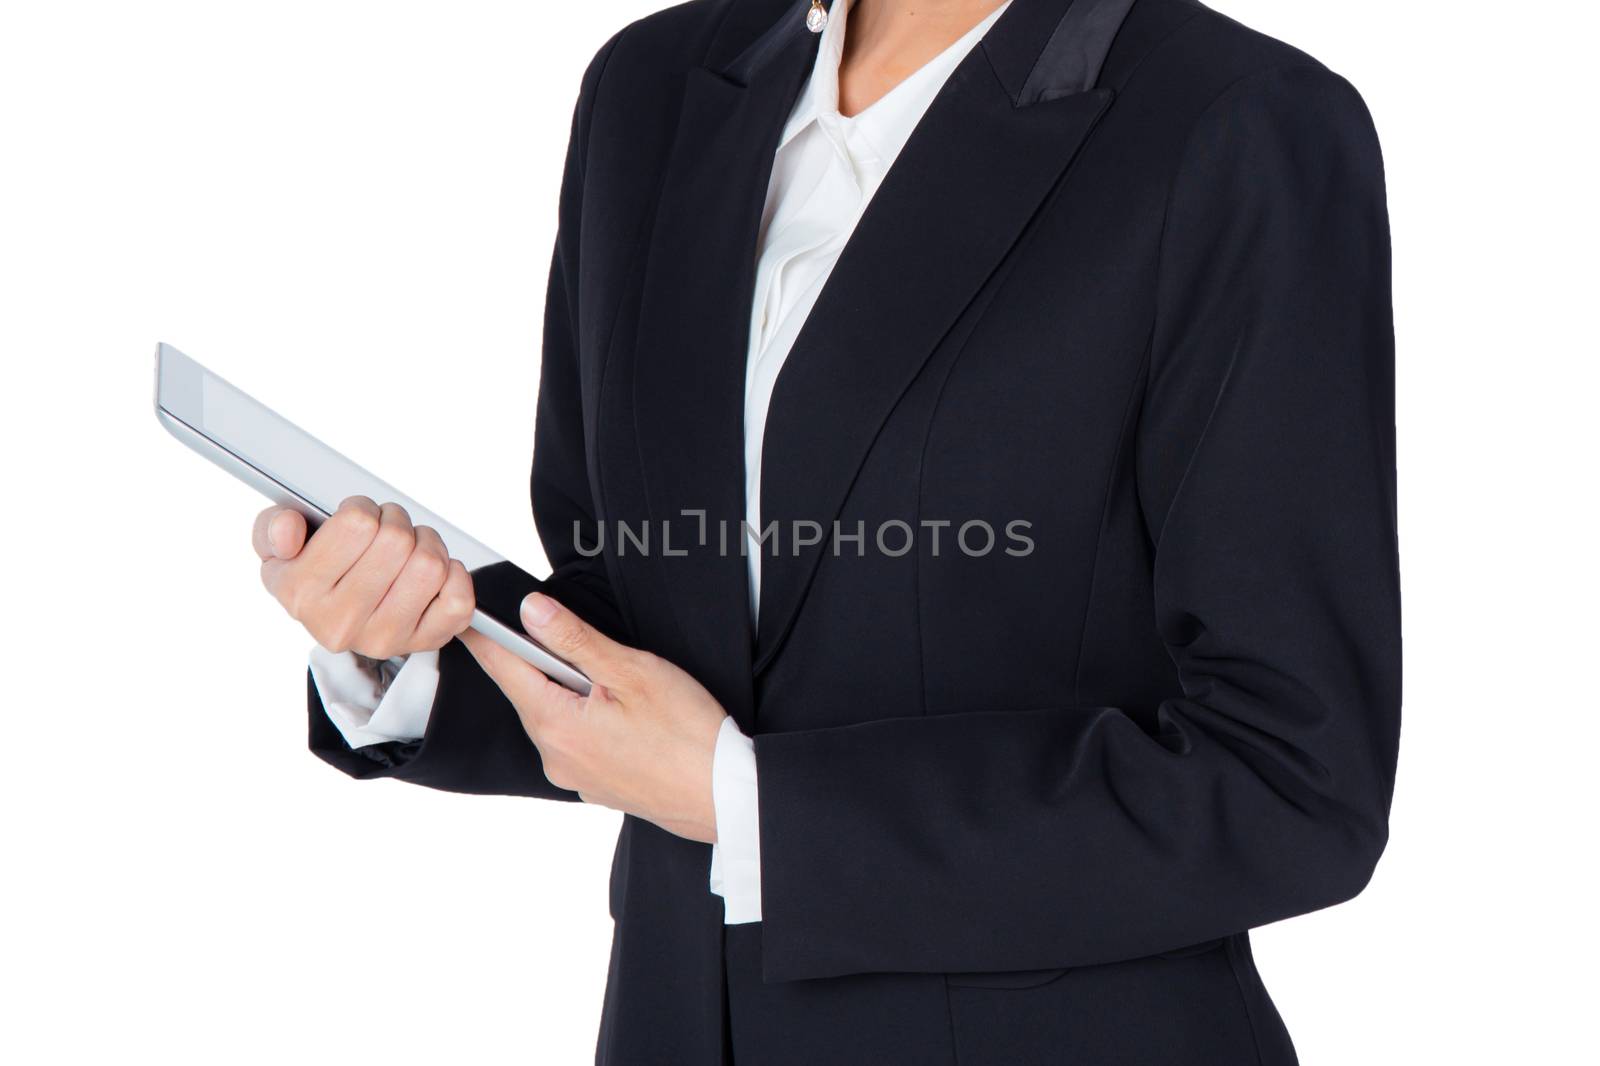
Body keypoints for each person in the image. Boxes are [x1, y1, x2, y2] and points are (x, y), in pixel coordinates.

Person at [251, 0, 1400, 1061]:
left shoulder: (1237, 127)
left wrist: (753, 808)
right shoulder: (650, 89)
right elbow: (646, 620)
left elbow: (1290, 779)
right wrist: (402, 643)